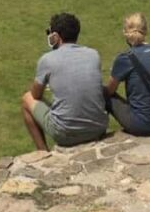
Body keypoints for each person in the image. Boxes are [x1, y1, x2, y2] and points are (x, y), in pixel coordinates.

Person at [21, 13, 108, 150]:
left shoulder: (47, 59)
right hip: (98, 128)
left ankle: (43, 152)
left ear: (55, 36)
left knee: (27, 99)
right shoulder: (93, 54)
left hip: (65, 134)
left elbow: (35, 95)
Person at [104, 13, 150, 136]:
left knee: (104, 93)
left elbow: (109, 90)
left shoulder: (125, 58)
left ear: (125, 33)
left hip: (142, 125)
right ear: (146, 30)